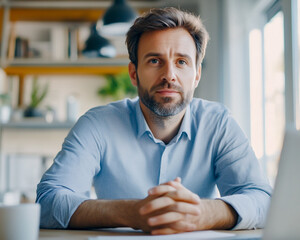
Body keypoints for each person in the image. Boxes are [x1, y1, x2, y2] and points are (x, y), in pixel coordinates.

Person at [36, 7, 272, 235]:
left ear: (197, 74)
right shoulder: (97, 124)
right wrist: (132, 212)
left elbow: (263, 199)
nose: (169, 75)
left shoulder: (219, 124)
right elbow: (47, 201)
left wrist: (204, 213)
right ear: (133, 73)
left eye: (181, 61)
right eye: (154, 61)